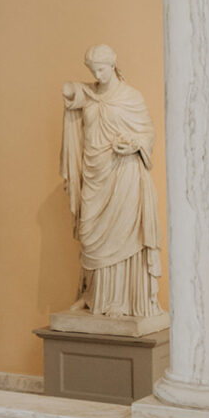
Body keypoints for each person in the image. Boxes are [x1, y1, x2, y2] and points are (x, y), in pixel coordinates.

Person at [61, 44, 163, 319]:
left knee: (123, 237)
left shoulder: (131, 97)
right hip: (96, 176)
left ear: (113, 65)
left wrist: (134, 145)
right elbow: (70, 92)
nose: (97, 74)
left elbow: (148, 133)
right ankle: (93, 296)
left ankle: (121, 301)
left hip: (125, 174)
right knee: (92, 236)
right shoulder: (90, 95)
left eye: (102, 69)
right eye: (93, 70)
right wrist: (74, 89)